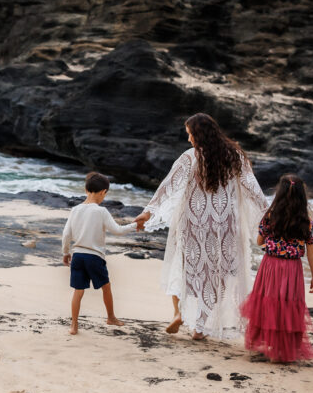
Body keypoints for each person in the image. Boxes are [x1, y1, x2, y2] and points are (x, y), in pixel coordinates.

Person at [133, 113, 267, 340]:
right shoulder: (235, 156)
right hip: (225, 225)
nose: (189, 140)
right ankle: (201, 324)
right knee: (220, 274)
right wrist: (269, 213)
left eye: (190, 134)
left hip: (194, 223)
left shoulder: (189, 157)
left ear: (199, 134)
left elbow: (168, 186)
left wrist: (148, 212)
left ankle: (185, 315)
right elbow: (252, 188)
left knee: (190, 270)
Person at [240, 174, 313, 362]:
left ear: (279, 194)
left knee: (268, 303)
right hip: (293, 269)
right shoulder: (305, 222)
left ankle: (268, 344)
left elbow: (260, 241)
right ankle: (284, 349)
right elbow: (311, 251)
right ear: (302, 197)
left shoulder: (270, 216)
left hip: (270, 266)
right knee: (288, 305)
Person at [62, 171, 142, 335]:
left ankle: (74, 326)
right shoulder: (101, 211)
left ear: (86, 189)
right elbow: (118, 231)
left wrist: (65, 253)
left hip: (77, 256)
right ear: (103, 192)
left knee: (78, 291)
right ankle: (111, 317)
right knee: (106, 287)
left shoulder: (75, 210)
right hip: (94, 257)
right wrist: (135, 225)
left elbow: (66, 235)